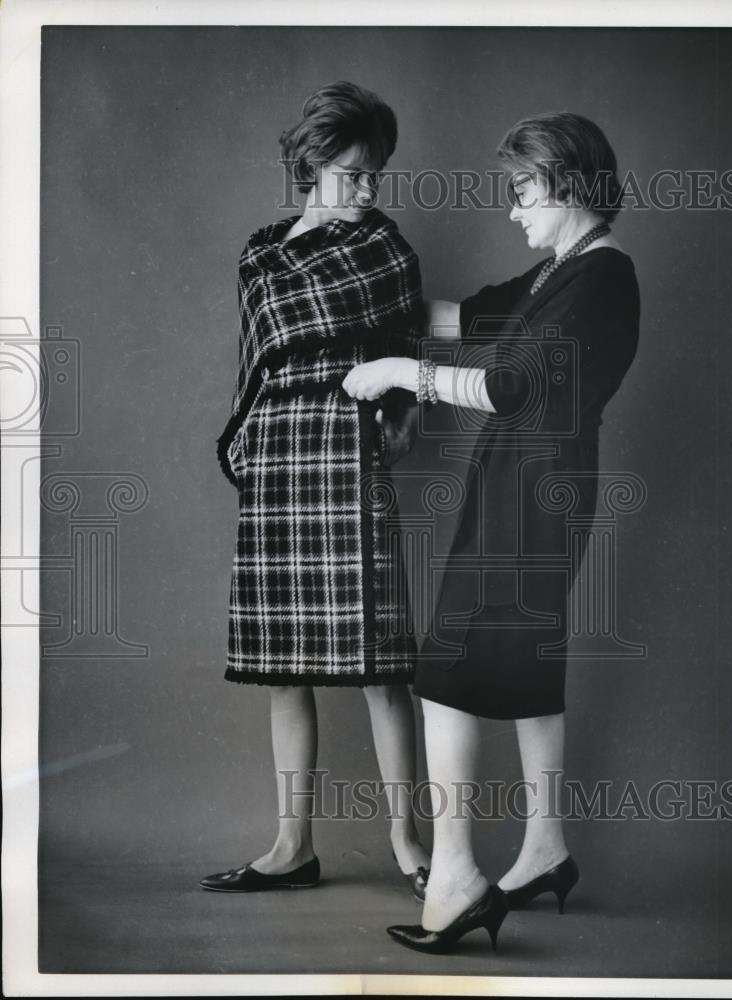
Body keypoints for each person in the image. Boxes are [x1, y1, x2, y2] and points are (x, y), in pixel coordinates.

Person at [342, 111, 640, 953]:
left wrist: (402, 373)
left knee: (445, 672)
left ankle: (456, 877)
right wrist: (367, 299)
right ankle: (544, 846)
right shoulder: (561, 273)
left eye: (521, 192)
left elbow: (510, 387)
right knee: (524, 664)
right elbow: (466, 318)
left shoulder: (602, 280)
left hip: (530, 497)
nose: (511, 211)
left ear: (568, 182)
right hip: (528, 489)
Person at [203, 81, 429, 899]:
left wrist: (396, 421)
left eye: (375, 175)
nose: (367, 190)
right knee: (281, 665)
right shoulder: (262, 251)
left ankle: (410, 843)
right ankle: (291, 845)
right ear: (310, 166)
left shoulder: (385, 248)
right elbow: (254, 361)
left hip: (345, 447)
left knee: (381, 663)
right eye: (352, 173)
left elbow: (403, 349)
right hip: (276, 458)